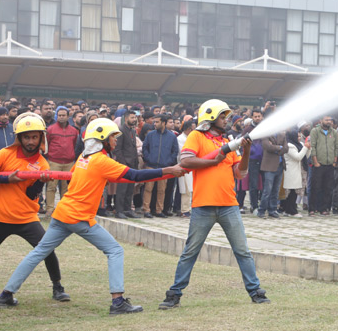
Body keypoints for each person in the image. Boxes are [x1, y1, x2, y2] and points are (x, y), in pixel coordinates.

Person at [0, 118, 185, 314]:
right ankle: (118, 301)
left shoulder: (83, 157)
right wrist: (169, 170)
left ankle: (6, 294)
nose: (115, 141)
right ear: (102, 138)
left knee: (39, 252)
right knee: (114, 250)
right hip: (78, 216)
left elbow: (86, 180)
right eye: (113, 137)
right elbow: (135, 176)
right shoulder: (102, 161)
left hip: (63, 213)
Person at [159, 99, 270, 310]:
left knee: (242, 251)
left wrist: (245, 151)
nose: (226, 120)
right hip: (203, 205)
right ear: (210, 117)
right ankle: (174, 294)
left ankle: (255, 291)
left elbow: (240, 173)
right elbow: (186, 162)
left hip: (229, 204)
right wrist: (215, 160)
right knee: (190, 252)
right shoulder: (197, 136)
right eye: (222, 116)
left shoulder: (228, 140)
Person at [0, 113, 69, 302]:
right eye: (26, 137)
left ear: (41, 138)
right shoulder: (5, 153)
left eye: (34, 137)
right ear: (19, 137)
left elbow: (30, 195)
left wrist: (40, 183)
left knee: (47, 250)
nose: (30, 141)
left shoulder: (42, 163)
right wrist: (6, 178)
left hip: (26, 218)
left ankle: (57, 287)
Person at [141, 115, 179, 218]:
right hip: (151, 166)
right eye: (154, 122)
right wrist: (149, 158)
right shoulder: (150, 135)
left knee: (162, 190)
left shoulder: (172, 137)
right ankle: (146, 210)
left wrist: (168, 161)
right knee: (148, 188)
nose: (155, 124)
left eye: (157, 122)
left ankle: (159, 210)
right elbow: (145, 148)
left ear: (163, 123)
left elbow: (175, 151)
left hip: (164, 167)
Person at [44, 106, 79, 216]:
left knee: (66, 188)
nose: (61, 117)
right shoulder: (50, 129)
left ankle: (63, 210)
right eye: (59, 115)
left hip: (69, 163)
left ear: (68, 117)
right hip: (54, 161)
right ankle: (49, 209)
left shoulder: (74, 131)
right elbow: (47, 144)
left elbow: (74, 145)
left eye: (63, 115)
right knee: (51, 186)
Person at [113, 110, 142, 219]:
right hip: (124, 164)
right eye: (132, 118)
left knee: (130, 189)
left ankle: (127, 209)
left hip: (133, 163)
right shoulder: (120, 131)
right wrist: (123, 163)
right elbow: (117, 149)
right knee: (122, 188)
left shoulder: (132, 131)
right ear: (126, 119)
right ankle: (119, 211)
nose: (134, 120)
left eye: (135, 118)